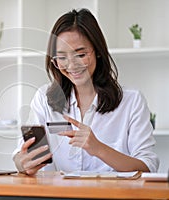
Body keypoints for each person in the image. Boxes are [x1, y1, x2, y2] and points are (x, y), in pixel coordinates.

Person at [13, 8, 159, 175]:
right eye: (61, 58)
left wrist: (99, 149)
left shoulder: (131, 101)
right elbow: (20, 156)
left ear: (97, 52)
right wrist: (22, 163)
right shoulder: (44, 98)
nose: (72, 65)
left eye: (80, 54)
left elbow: (147, 167)